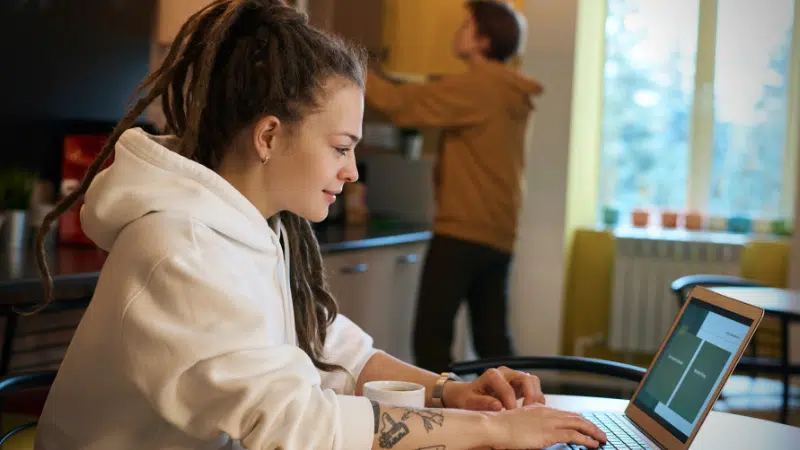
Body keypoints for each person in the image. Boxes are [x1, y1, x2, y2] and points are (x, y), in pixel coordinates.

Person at [30, 1, 603, 449]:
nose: (352, 171)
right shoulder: (181, 249)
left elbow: (328, 345)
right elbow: (299, 430)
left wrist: (448, 392)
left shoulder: (253, 226)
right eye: (340, 147)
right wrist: (494, 431)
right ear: (270, 135)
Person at [364, 0, 543, 374]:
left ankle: (441, 419)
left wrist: (348, 66)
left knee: (431, 338)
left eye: (466, 25)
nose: (457, 31)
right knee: (493, 341)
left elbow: (401, 104)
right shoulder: (507, 89)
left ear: (482, 40)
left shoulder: (478, 86)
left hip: (461, 230)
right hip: (499, 232)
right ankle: (521, 414)